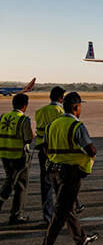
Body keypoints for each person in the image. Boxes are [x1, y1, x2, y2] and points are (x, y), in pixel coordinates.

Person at [36, 92, 98, 245]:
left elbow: (45, 148)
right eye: (80, 107)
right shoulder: (77, 126)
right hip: (71, 174)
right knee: (60, 214)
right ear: (75, 107)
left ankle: (81, 240)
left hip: (54, 171)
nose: (81, 109)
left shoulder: (52, 125)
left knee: (67, 208)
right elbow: (91, 150)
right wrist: (86, 163)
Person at [34, 86, 65, 226]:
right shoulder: (61, 112)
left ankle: (47, 217)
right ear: (60, 98)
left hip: (42, 151)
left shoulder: (40, 111)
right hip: (56, 152)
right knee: (62, 184)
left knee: (45, 185)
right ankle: (64, 213)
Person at [0, 93, 33, 224]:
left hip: (5, 155)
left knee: (12, 182)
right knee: (19, 185)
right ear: (25, 106)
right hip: (19, 157)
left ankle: (16, 214)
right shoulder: (23, 119)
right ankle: (16, 214)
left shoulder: (3, 117)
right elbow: (28, 138)